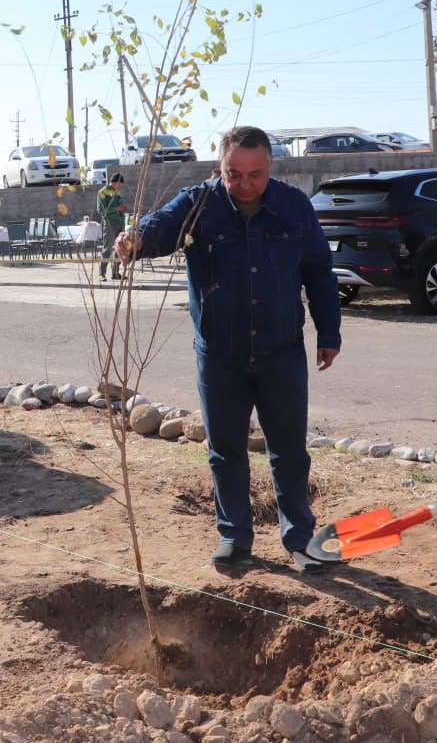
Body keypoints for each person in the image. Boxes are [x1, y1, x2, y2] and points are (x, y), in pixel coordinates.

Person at [115, 126, 342, 573]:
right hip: (219, 355)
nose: (244, 184)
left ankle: (298, 539)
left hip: (281, 352)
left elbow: (319, 271)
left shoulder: (293, 207)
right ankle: (234, 537)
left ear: (269, 166)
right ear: (220, 167)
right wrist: (134, 239)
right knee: (225, 449)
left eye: (254, 174)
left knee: (289, 450)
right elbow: (158, 230)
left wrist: (329, 333)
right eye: (233, 174)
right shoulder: (200, 203)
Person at [96, 173, 127, 282]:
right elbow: (101, 210)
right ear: (115, 182)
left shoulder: (117, 192)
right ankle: (102, 273)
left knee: (120, 247)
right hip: (110, 223)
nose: (120, 186)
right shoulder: (102, 192)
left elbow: (119, 205)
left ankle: (115, 273)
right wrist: (116, 209)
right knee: (107, 248)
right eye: (119, 184)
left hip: (120, 222)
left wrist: (123, 208)